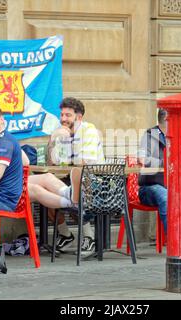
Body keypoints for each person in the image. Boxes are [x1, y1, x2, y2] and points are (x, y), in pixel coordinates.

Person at [47, 97, 105, 257]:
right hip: (74, 179)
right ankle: (66, 235)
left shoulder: (89, 131)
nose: (63, 119)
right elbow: (53, 162)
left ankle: (89, 237)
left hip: (96, 182)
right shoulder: (64, 133)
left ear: (78, 117)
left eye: (68, 115)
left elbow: (85, 163)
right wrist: (53, 139)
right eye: (62, 115)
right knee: (46, 190)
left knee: (74, 189)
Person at [137, 109, 167, 234]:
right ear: (166, 119)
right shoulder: (151, 135)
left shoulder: (177, 135)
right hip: (150, 187)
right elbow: (142, 159)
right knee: (166, 197)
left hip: (173, 184)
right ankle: (174, 242)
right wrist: (165, 162)